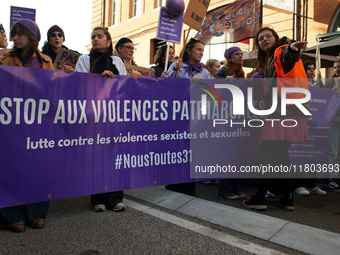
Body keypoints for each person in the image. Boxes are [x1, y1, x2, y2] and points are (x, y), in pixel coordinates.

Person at [243, 27, 309, 211]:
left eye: (268, 36)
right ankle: (287, 198)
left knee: (269, 155)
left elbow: (289, 58)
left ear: (276, 38)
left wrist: (294, 49)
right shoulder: (273, 57)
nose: (265, 40)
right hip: (293, 111)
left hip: (281, 113)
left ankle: (260, 197)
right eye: (261, 38)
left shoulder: (281, 50)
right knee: (281, 156)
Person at [0, 19, 54, 232]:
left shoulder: (46, 61)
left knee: (38, 169)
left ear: (32, 37)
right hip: (12, 126)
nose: (15, 38)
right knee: (11, 169)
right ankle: (13, 216)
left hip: (39, 126)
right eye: (13, 34)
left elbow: (57, 89)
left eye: (20, 34)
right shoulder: (6, 60)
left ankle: (37, 214)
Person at [74, 27, 128, 212]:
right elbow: (79, 84)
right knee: (96, 158)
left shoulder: (117, 60)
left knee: (114, 157)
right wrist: (98, 79)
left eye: (100, 36)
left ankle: (115, 198)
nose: (96, 39)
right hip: (93, 117)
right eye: (93, 37)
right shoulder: (83, 59)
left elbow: (123, 84)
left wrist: (132, 79)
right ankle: (98, 199)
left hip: (113, 116)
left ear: (108, 41)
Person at [165, 38, 210, 196]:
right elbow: (165, 86)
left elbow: (210, 92)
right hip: (177, 115)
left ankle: (189, 187)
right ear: (189, 51)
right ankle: (172, 184)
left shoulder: (204, 72)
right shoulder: (177, 66)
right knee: (175, 150)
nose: (201, 53)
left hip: (194, 116)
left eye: (202, 50)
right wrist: (173, 71)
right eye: (198, 49)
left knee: (191, 151)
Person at [322, 59, 340, 191]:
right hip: (334, 121)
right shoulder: (330, 83)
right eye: (335, 68)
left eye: (339, 67)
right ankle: (328, 180)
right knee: (331, 151)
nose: (337, 70)